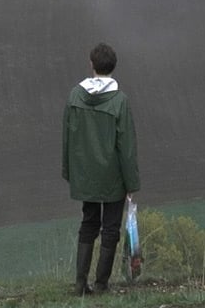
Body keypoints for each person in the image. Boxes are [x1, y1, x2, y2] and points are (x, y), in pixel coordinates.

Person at [62, 43, 141, 296]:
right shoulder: (120, 101)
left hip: (85, 174)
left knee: (88, 224)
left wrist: (70, 172)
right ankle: (101, 283)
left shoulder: (75, 96)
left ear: (91, 64)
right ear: (113, 67)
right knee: (110, 228)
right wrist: (132, 184)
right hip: (113, 177)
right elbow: (126, 146)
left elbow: (67, 138)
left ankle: (79, 283)